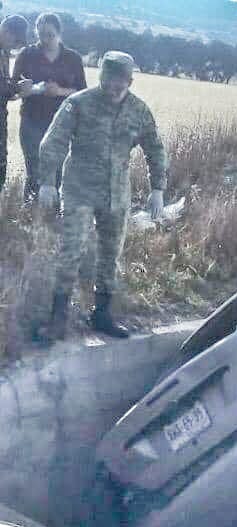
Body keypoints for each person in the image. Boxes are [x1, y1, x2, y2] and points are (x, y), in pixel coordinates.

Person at [35, 51, 167, 343]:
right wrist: (46, 182)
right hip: (79, 189)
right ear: (100, 76)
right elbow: (52, 142)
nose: (112, 89)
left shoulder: (139, 110)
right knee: (71, 250)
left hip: (117, 194)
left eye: (119, 84)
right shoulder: (78, 104)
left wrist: (157, 188)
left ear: (130, 82)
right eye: (107, 81)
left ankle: (102, 314)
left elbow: (155, 149)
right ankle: (58, 319)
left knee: (110, 255)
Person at [13, 13, 86, 200]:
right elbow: (12, 88)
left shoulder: (73, 59)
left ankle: (53, 217)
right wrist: (27, 90)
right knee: (34, 168)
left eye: (50, 35)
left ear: (60, 34)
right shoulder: (27, 55)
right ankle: (30, 214)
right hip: (31, 120)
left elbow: (82, 93)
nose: (45, 40)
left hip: (61, 123)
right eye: (41, 35)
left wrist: (60, 91)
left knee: (58, 169)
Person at [0, 15, 28, 192]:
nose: (14, 47)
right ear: (7, 32)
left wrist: (13, 89)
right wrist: (16, 88)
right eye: (15, 42)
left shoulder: (4, 52)